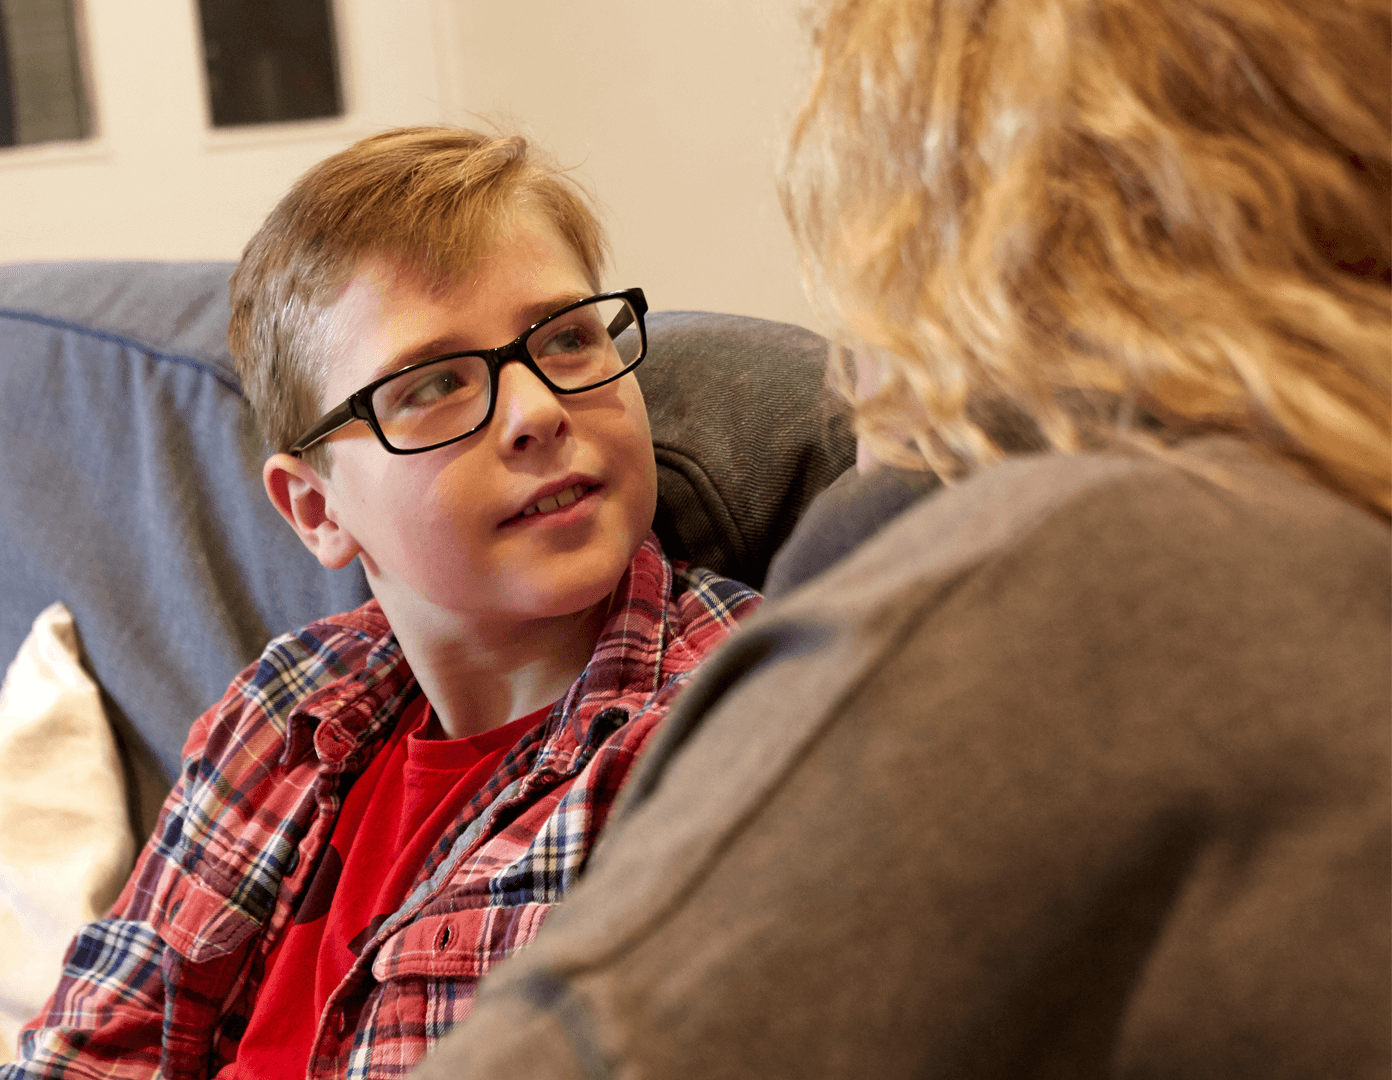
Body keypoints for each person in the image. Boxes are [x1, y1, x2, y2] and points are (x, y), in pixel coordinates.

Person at [413, 0, 1392, 1076]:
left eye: (569, 340)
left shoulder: (1075, 574)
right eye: (438, 384)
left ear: (925, 230)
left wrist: (897, 505)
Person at [0, 127, 760, 1080]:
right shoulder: (283, 707)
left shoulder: (728, 726)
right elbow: (92, 1052)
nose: (538, 410)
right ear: (317, 508)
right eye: (433, 383)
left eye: (566, 339)